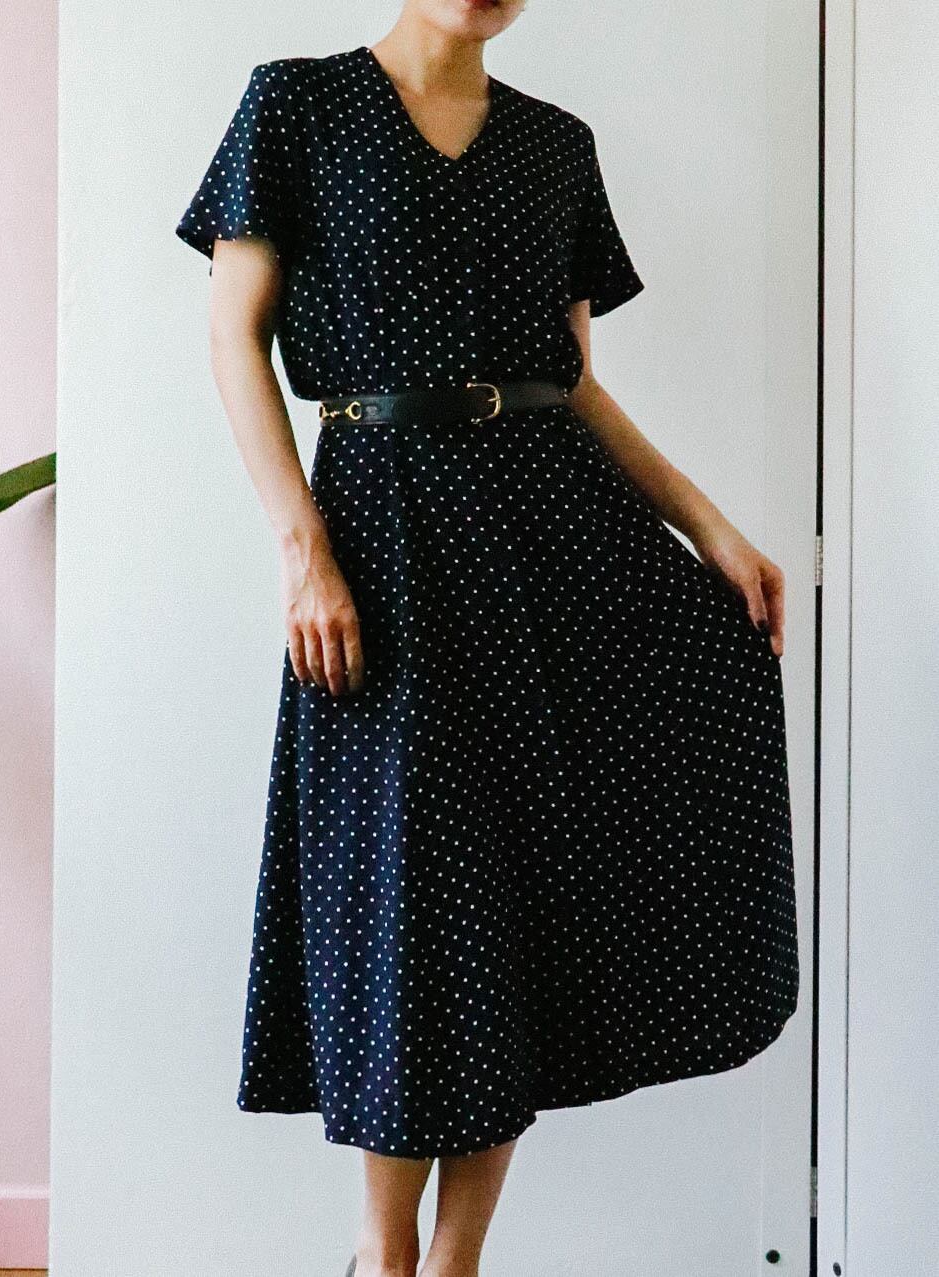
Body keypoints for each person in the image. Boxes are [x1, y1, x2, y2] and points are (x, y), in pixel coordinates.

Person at [174, 3, 801, 1275]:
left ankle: (453, 1260)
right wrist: (302, 550)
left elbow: (571, 384)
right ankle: (381, 1249)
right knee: (410, 898)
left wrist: (709, 528)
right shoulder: (294, 105)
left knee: (515, 898)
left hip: (552, 539)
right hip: (385, 540)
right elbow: (233, 337)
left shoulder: (555, 145)